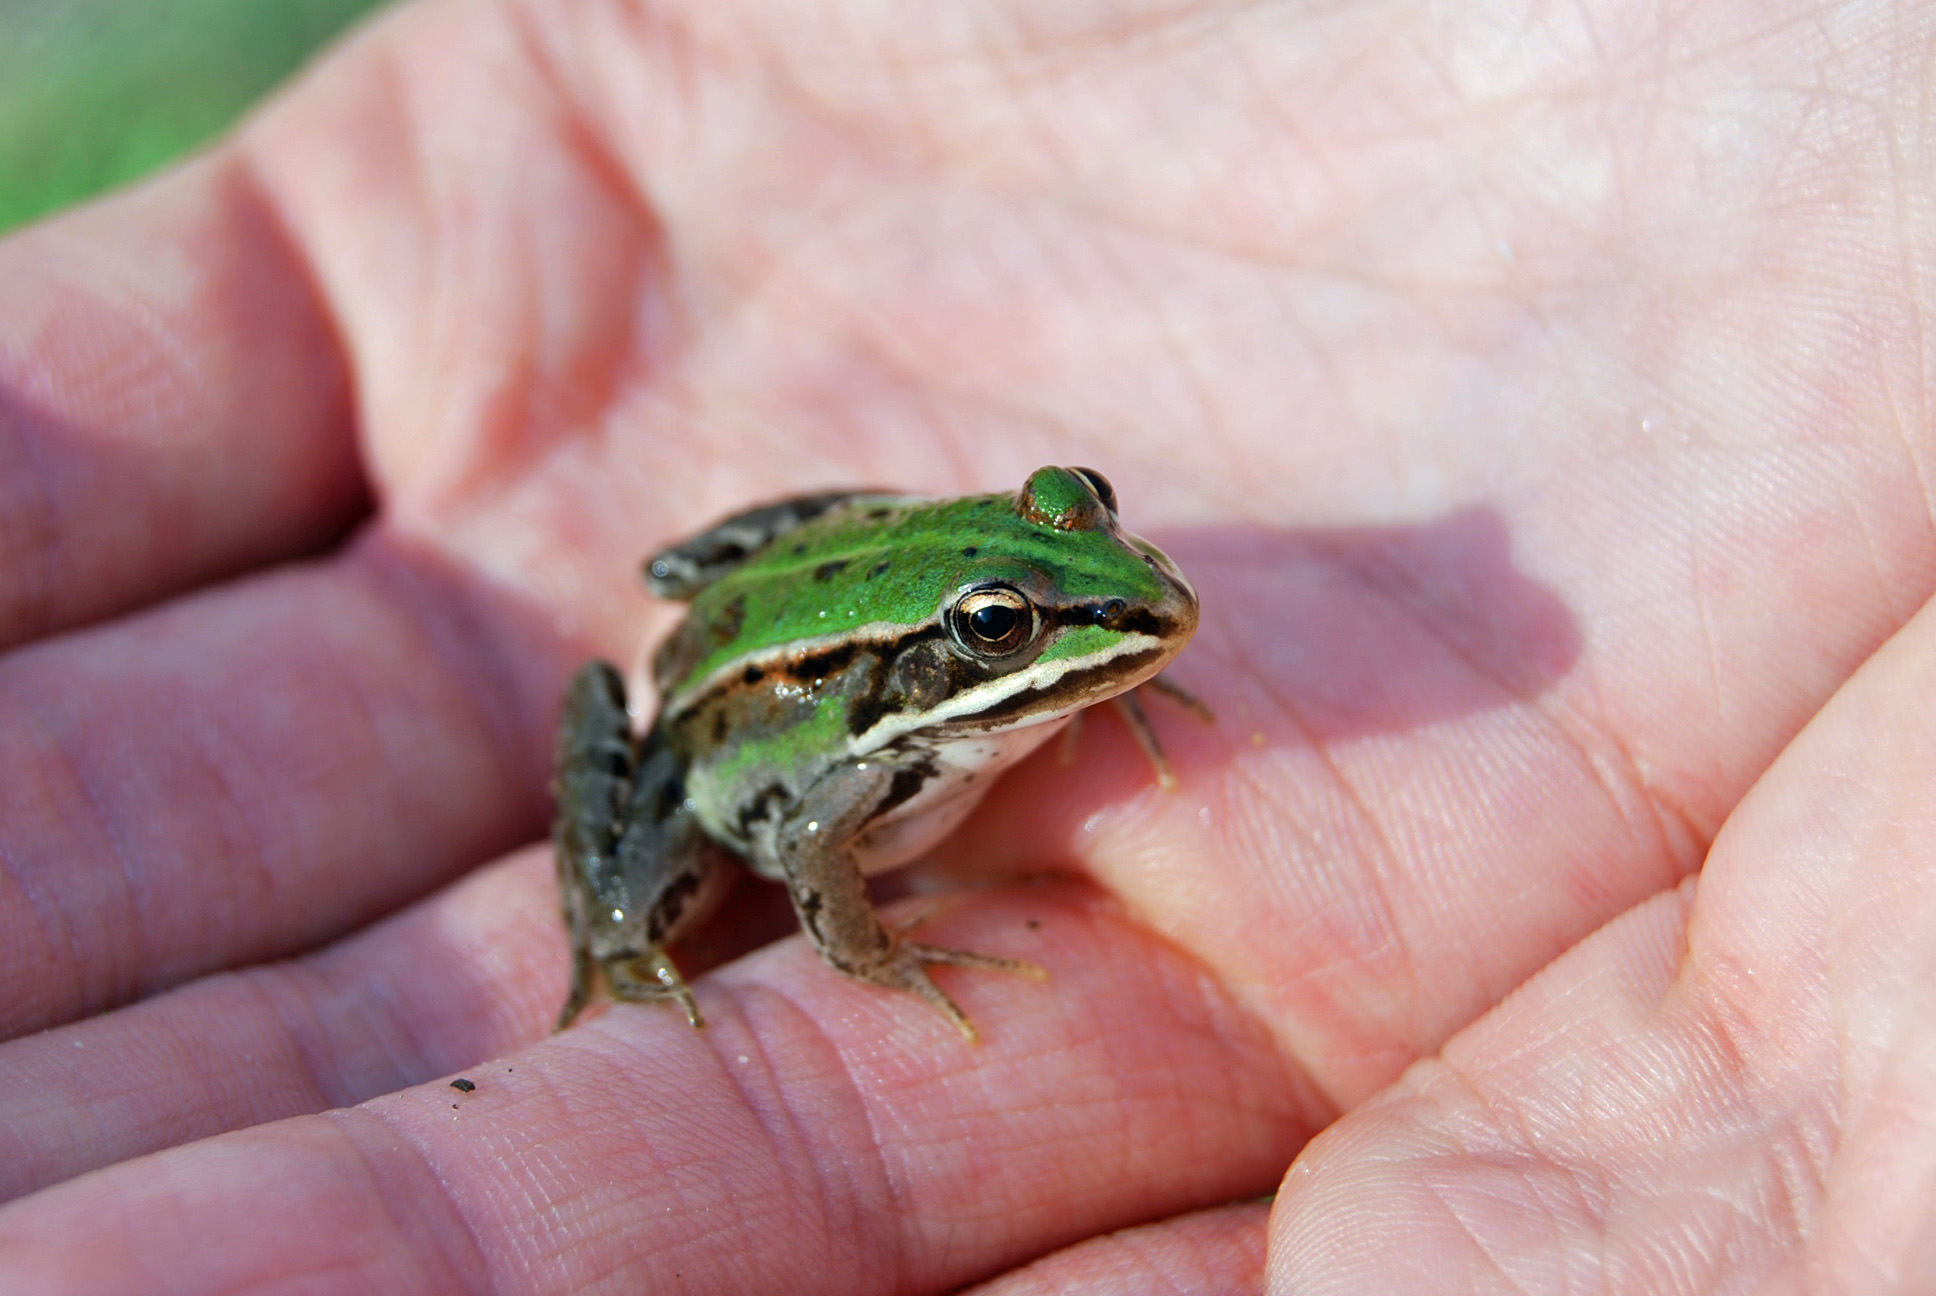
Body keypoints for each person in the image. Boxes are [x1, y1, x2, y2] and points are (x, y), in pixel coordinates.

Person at [2, 0, 1933, 1289]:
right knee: (656, 899)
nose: (1114, 605)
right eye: (1020, 622)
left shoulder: (1073, 599)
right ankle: (608, 933)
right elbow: (822, 838)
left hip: (810, 590)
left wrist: (1061, 627)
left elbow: (1079, 603)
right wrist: (857, 948)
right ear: (957, 649)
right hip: (726, 732)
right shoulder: (874, 740)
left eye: (1066, 549)